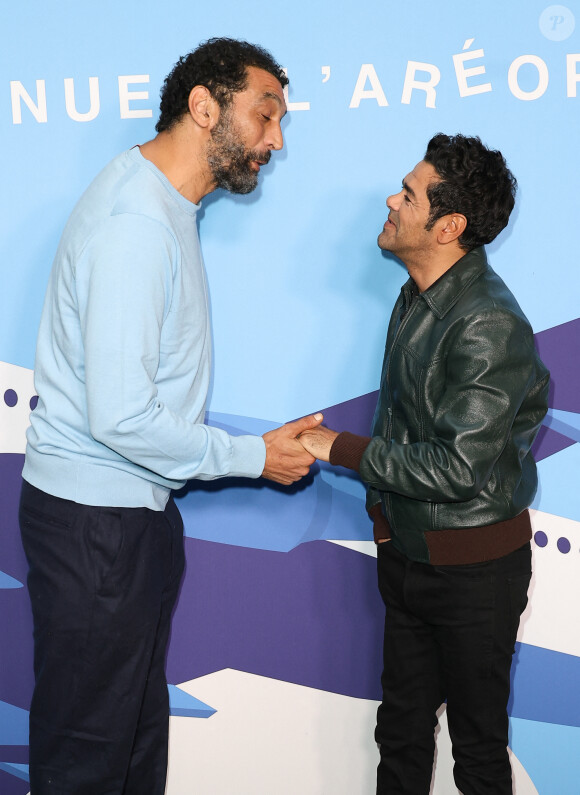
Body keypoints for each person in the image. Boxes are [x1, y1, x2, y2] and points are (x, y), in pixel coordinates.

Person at [19, 37, 322, 795]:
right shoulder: (137, 223)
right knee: (90, 757)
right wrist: (256, 456)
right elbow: (121, 417)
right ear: (203, 106)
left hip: (126, 522)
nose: (276, 140)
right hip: (99, 529)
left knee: (127, 747)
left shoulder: (163, 204)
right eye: (265, 115)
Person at [299, 134, 549, 794]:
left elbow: (455, 469)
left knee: (478, 750)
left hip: (475, 576)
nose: (391, 199)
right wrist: (386, 526)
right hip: (411, 559)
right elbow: (402, 420)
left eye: (408, 194)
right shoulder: (415, 295)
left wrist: (337, 449)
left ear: (449, 225)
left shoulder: (488, 321)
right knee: (401, 733)